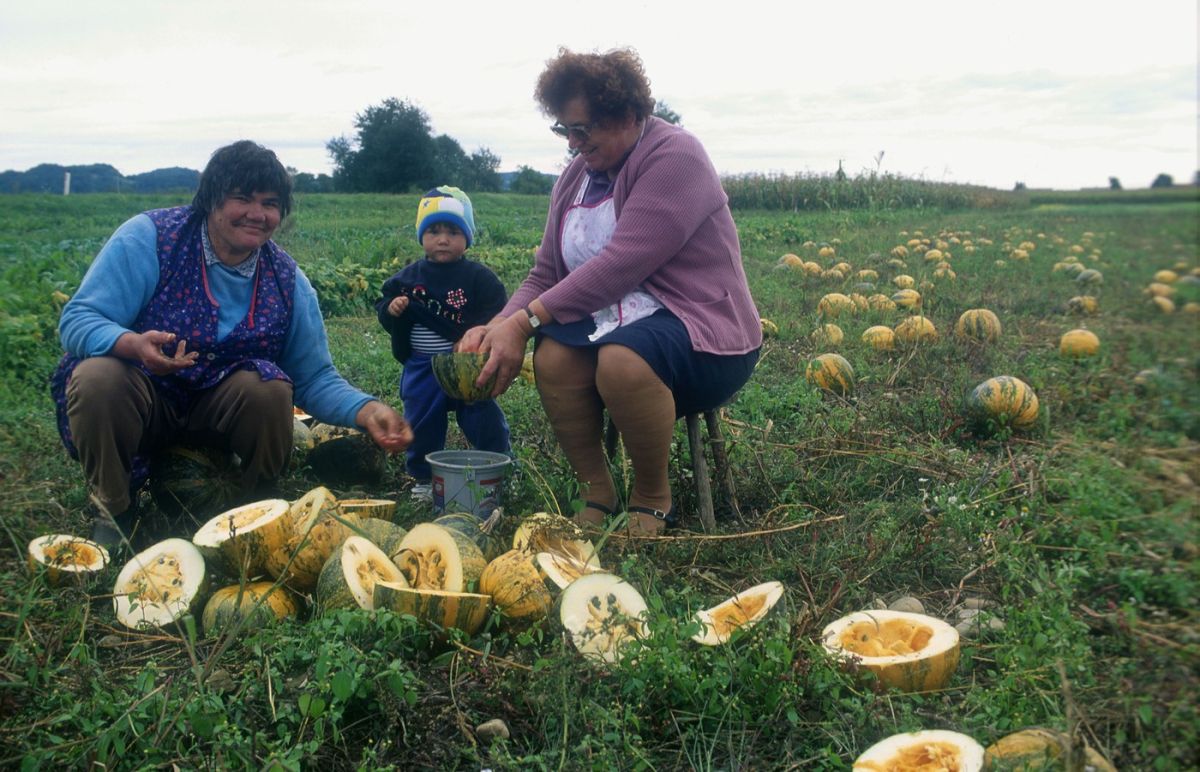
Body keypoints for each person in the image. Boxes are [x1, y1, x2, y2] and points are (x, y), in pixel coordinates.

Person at [50, 140, 413, 548]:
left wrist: (367, 410)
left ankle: (256, 507)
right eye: (242, 198)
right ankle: (115, 514)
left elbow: (313, 377)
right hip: (144, 402)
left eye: (270, 203)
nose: (257, 214)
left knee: (269, 387)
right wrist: (132, 345)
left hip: (217, 421)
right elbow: (78, 318)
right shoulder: (150, 239)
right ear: (212, 199)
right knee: (98, 377)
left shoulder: (288, 281)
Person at [459, 47, 761, 536]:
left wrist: (524, 322)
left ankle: (652, 496)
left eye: (583, 129)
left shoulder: (675, 157)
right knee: (554, 358)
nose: (574, 143)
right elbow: (546, 272)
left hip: (702, 329)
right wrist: (498, 326)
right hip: (616, 321)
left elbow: (619, 266)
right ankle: (596, 491)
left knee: (623, 362)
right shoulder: (575, 177)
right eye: (565, 130)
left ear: (627, 114)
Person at [375, 186, 511, 501]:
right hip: (422, 364)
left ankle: (500, 465)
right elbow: (383, 305)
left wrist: (479, 332)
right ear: (422, 236)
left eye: (453, 231)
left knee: (482, 414)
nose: (443, 239)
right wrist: (391, 309)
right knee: (421, 418)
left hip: (466, 362)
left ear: (467, 237)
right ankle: (424, 477)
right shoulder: (406, 279)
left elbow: (497, 311)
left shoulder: (479, 277)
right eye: (433, 231)